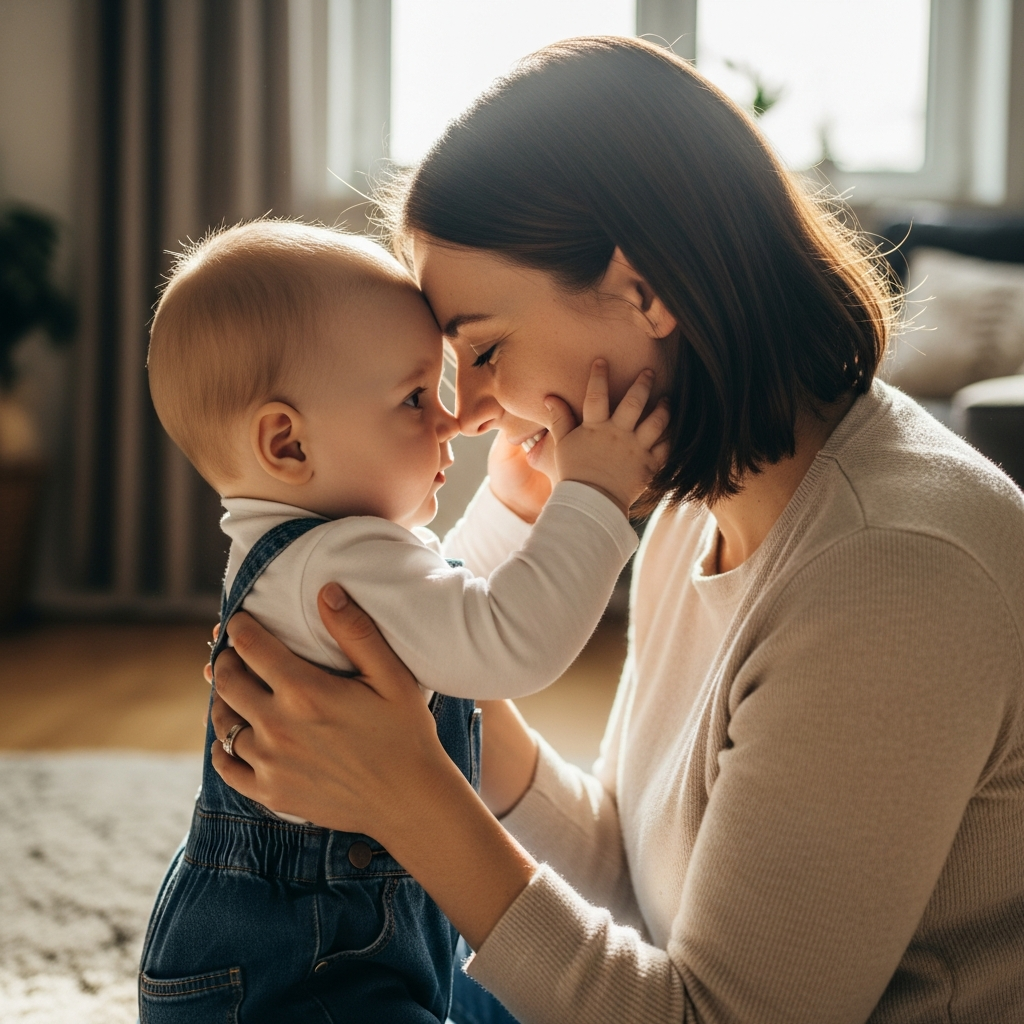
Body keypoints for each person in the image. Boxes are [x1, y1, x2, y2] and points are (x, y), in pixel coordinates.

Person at [207, 37, 1024, 1024]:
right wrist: (435, 715)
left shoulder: (893, 573)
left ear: (643, 290)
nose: (468, 413)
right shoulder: (697, 502)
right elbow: (636, 876)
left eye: (487, 348)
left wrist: (412, 803)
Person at [139, 220, 667, 1021]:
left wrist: (512, 505)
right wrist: (590, 498)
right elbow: (504, 642)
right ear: (287, 442)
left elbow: (441, 604)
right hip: (301, 978)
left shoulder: (326, 553)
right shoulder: (331, 561)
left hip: (338, 943)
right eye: (415, 397)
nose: (451, 420)